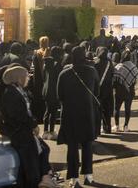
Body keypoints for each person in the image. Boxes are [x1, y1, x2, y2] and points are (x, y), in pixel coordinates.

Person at [0, 65, 59, 188]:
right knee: (33, 158)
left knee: (43, 149)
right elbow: (19, 115)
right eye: (26, 76)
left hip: (23, 131)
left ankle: (44, 177)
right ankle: (40, 180)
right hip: (19, 133)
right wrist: (33, 125)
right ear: (18, 78)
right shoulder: (11, 93)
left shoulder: (17, 91)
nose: (29, 78)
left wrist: (33, 124)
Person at [57, 46, 101, 186]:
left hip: (70, 113)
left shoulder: (64, 74)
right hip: (87, 113)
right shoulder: (92, 71)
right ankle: (88, 175)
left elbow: (60, 96)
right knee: (88, 145)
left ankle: (74, 178)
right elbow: (97, 92)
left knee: (72, 147)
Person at [112, 52, 138, 132]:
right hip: (130, 91)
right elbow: (135, 79)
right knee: (128, 109)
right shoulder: (134, 67)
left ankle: (116, 126)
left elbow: (114, 80)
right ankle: (126, 126)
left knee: (116, 108)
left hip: (119, 91)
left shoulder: (119, 66)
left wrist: (115, 88)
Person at [42, 46, 64, 140]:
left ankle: (45, 131)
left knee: (47, 110)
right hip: (54, 90)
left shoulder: (46, 63)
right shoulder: (58, 65)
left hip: (46, 90)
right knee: (53, 112)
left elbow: (43, 77)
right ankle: (51, 131)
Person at [94, 47, 114, 134]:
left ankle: (97, 130)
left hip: (98, 90)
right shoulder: (110, 63)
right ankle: (107, 128)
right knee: (107, 109)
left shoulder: (96, 63)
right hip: (108, 89)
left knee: (98, 110)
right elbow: (113, 74)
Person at [31, 36, 50, 124]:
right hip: (47, 78)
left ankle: (38, 116)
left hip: (37, 78)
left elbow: (34, 66)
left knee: (37, 97)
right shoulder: (49, 52)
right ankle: (45, 116)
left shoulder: (36, 53)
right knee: (45, 99)